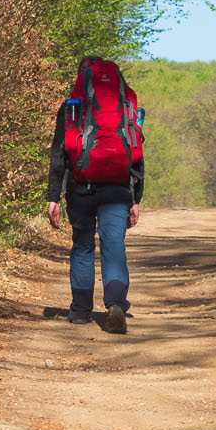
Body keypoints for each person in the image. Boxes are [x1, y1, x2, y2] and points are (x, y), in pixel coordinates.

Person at [45, 67, 144, 333]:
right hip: (118, 190)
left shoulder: (71, 109)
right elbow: (136, 155)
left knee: (83, 247)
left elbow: (59, 154)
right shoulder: (126, 108)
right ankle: (115, 303)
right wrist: (136, 198)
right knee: (113, 245)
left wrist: (53, 196)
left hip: (80, 189)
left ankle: (79, 310)